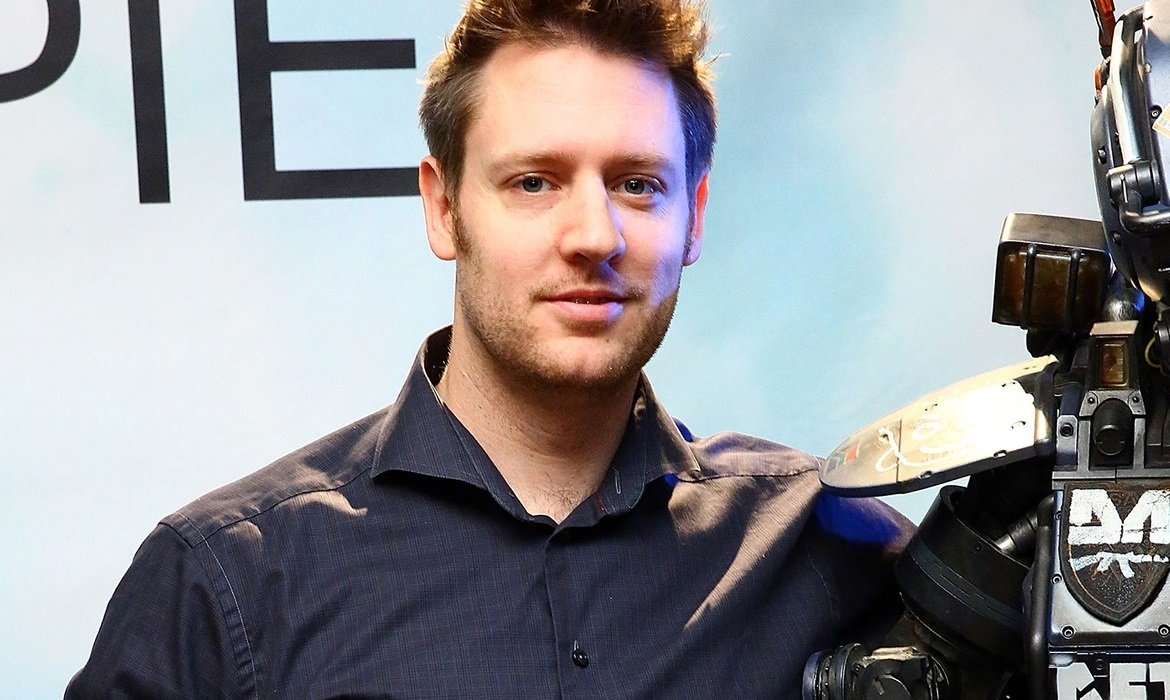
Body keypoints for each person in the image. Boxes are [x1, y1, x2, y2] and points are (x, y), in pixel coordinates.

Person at [67, 0, 913, 696]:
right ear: (444, 210)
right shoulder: (227, 584)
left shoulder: (823, 543)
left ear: (693, 215)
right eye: (534, 182)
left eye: (637, 185)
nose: (594, 235)